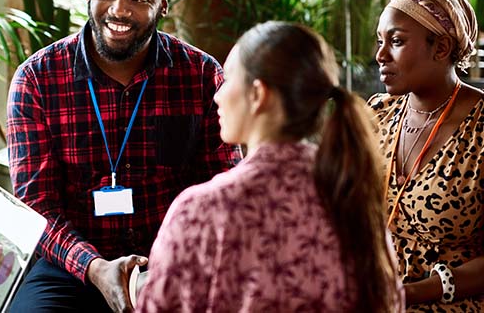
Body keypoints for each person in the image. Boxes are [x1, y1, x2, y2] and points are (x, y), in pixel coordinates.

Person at [5, 0, 241, 312]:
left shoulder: (201, 76)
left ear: (162, 4)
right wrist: (96, 268)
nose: (119, 10)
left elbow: (223, 191)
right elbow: (36, 207)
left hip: (175, 263)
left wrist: (170, 266)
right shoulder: (36, 79)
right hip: (72, 268)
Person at [137, 21, 404, 312]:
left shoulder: (201, 212)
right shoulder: (351, 199)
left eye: (228, 80)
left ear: (258, 95)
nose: (217, 95)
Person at [369, 0, 484, 311]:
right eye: (380, 41)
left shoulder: (480, 131)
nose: (380, 55)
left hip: (453, 303)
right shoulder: (377, 114)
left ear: (441, 47)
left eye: (396, 41)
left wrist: (413, 294)